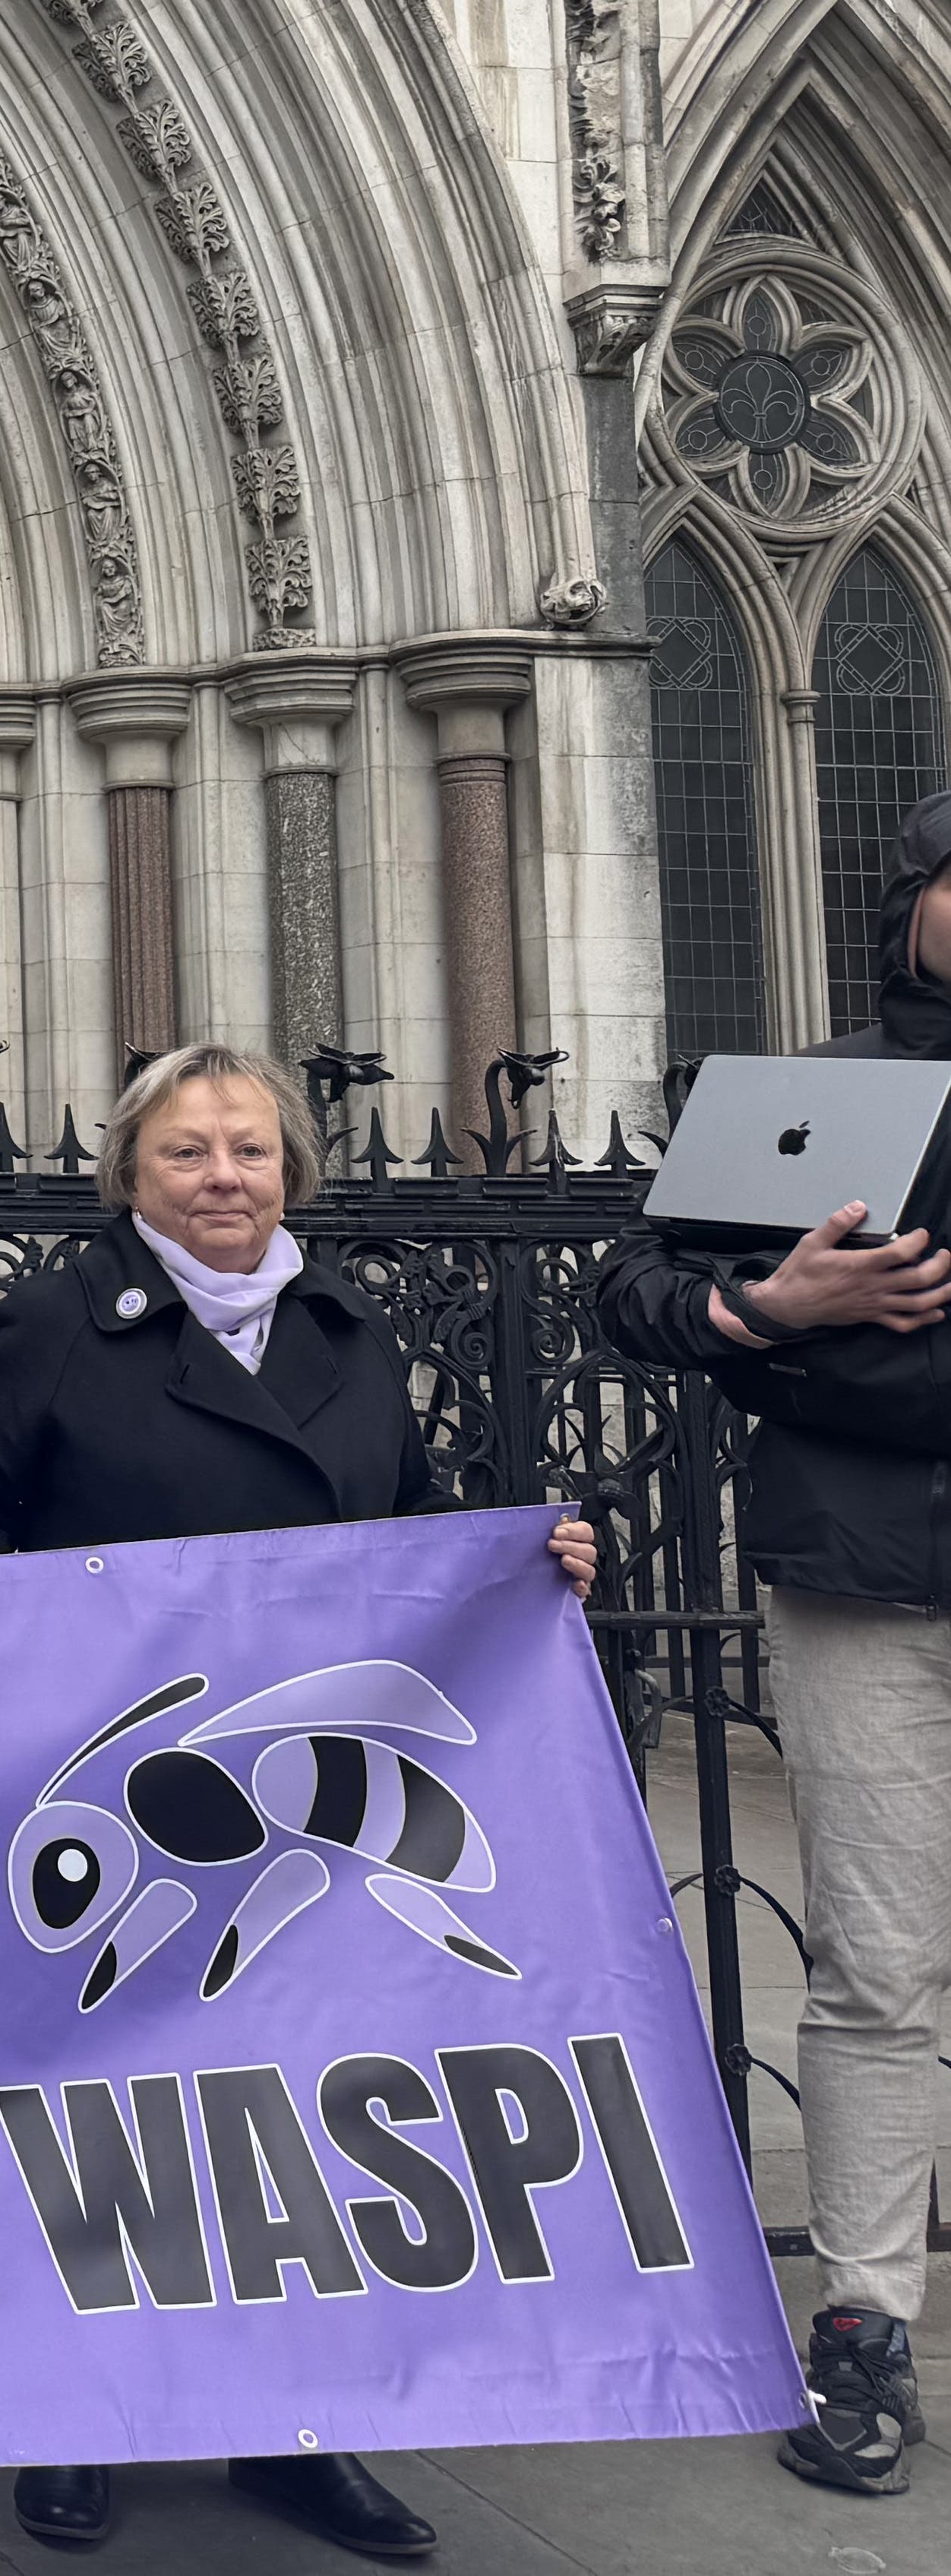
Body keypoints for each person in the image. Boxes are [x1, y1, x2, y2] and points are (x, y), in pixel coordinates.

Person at [0, 1041, 597, 2560]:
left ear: (293, 1171)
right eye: (186, 1154)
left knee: (295, 2105)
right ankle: (73, 2407)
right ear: (126, 1179)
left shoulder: (344, 1329)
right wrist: (55, 1663)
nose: (223, 1179)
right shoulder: (53, 1325)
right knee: (108, 2107)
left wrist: (520, 1565)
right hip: (123, 1789)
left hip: (301, 1799)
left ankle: (299, 2426)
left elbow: (411, 1524)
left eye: (250, 1152)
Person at [596, 786, 951, 2499]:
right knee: (880, 1969)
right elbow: (631, 1294)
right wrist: (769, 1309)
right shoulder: (823, 1089)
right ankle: (865, 2322)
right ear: (910, 902)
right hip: (864, 1582)